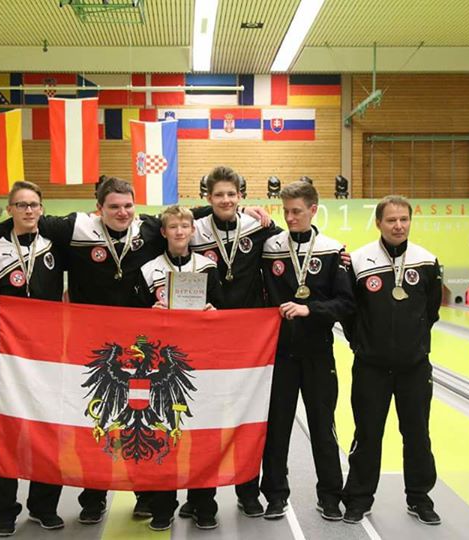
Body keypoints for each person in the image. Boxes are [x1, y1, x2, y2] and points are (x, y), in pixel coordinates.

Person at [0, 177, 270, 525]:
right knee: (91, 419)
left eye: (127, 206)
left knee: (141, 421)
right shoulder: (76, 227)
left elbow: (190, 216)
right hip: (88, 344)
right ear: (99, 208)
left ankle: (145, 495)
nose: (122, 212)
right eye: (113, 206)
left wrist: (242, 209)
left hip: (140, 344)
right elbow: (26, 216)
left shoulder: (150, 228)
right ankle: (92, 498)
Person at [0, 181, 65, 537]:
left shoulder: (55, 242)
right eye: (21, 205)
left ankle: (43, 506)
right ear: (10, 211)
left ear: (42, 208)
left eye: (34, 204)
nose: (29, 210)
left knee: (49, 428)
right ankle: (3, 512)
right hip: (9, 354)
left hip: (51, 353)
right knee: (8, 430)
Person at [179, 165, 281, 522]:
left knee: (246, 418)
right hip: (205, 336)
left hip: (248, 340)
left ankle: (248, 492)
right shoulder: (192, 227)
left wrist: (267, 220)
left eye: (231, 194)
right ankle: (198, 495)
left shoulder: (257, 227)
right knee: (200, 417)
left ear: (241, 197)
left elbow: (296, 243)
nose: (225, 200)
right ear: (208, 197)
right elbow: (155, 224)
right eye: (218, 195)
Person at [341, 195, 442, 526]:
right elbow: (350, 312)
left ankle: (419, 498)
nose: (399, 225)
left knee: (417, 434)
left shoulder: (426, 261)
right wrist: (364, 344)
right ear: (379, 223)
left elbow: (431, 312)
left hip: (414, 367)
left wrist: (413, 344)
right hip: (371, 366)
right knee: (367, 433)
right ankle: (358, 498)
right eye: (391, 220)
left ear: (410, 221)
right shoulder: (359, 261)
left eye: (404, 219)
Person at [259, 181, 354, 521]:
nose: (290, 217)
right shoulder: (270, 247)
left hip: (317, 354)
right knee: (276, 428)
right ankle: (274, 495)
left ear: (314, 210)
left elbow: (345, 303)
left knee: (322, 427)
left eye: (297, 211)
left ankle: (330, 495)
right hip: (280, 355)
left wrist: (310, 309)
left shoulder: (332, 250)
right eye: (285, 212)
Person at [136, 205, 223, 531]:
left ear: (191, 231)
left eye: (185, 226)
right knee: (163, 437)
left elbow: (224, 309)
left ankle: (203, 504)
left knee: (201, 437)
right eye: (173, 226)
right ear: (164, 232)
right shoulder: (148, 270)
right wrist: (151, 311)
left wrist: (215, 311)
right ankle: (162, 507)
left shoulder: (208, 267)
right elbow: (134, 319)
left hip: (200, 363)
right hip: (161, 368)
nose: (179, 231)